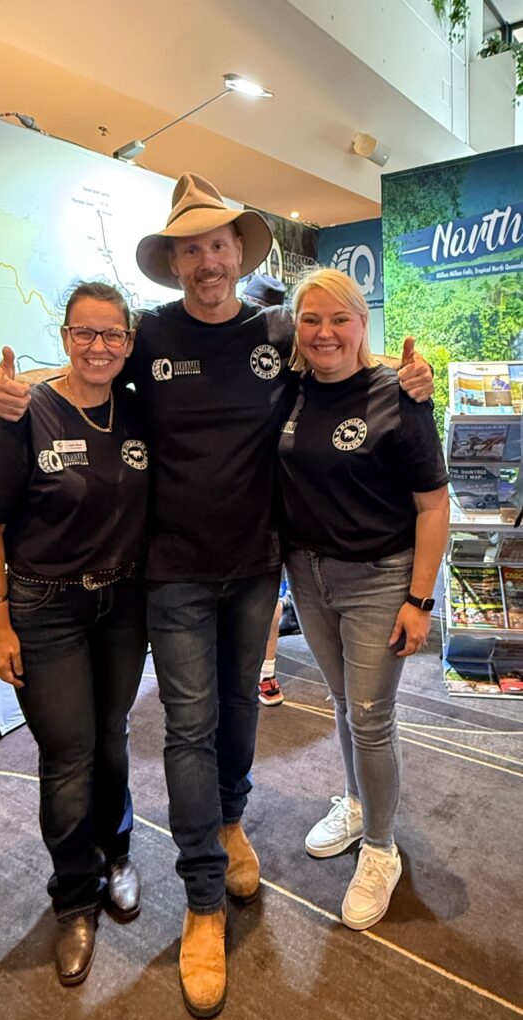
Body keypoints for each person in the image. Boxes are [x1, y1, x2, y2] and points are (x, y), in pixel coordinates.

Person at [0, 173, 434, 1018]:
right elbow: (87, 367)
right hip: (175, 573)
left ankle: (231, 822)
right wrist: (18, 389)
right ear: (176, 261)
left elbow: (344, 358)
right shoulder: (148, 336)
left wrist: (408, 381)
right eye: (189, 249)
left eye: (217, 245)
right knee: (187, 725)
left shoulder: (277, 329)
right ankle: (200, 900)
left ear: (238, 252)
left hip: (257, 567)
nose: (205, 261)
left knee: (238, 710)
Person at [0, 282, 149, 987]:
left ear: (129, 343)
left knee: (113, 738)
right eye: (85, 332)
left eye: (113, 334)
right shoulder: (23, 413)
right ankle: (75, 897)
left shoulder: (138, 412)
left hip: (124, 604)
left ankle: (118, 853)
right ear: (65, 334)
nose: (99, 346)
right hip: (46, 609)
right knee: (69, 754)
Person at [278, 267, 449, 931]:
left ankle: (381, 849)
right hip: (309, 576)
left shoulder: (398, 394)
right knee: (345, 703)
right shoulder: (290, 389)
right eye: (312, 319)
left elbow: (434, 507)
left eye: (339, 319)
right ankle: (355, 804)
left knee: (372, 713)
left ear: (362, 323)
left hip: (380, 578)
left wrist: (420, 600)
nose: (325, 333)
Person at [241, 274, 288, 708]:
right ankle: (263, 675)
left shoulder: (290, 349)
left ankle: (266, 673)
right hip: (247, 505)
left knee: (270, 599)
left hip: (282, 503)